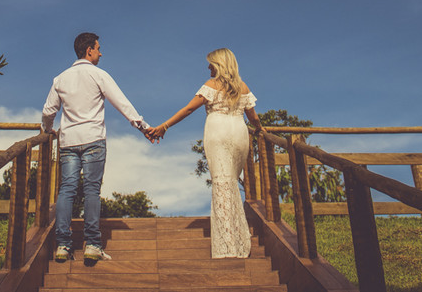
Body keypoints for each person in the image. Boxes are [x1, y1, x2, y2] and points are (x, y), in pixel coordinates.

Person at [42, 32, 154, 263]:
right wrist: (143, 127)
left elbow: (48, 112)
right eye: (98, 48)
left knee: (67, 190)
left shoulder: (60, 79)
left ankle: (63, 245)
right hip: (93, 139)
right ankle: (92, 244)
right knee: (92, 190)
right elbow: (121, 103)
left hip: (69, 141)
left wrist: (46, 131)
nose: (101, 52)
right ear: (89, 50)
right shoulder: (98, 75)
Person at [147, 47, 264, 258]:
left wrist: (164, 126)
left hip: (218, 132)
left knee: (221, 183)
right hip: (239, 132)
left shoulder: (211, 85)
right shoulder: (243, 87)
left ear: (219, 65)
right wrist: (261, 130)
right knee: (231, 184)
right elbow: (254, 118)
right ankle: (238, 240)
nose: (208, 66)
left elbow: (189, 109)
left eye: (211, 63)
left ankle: (228, 245)